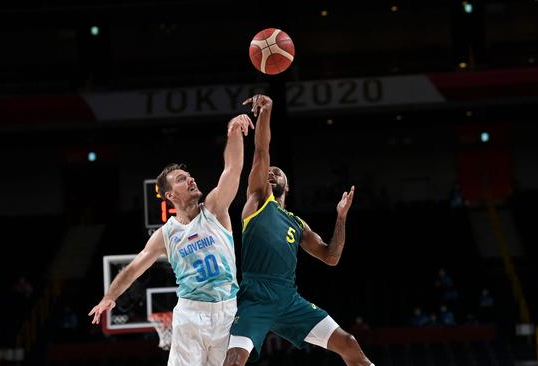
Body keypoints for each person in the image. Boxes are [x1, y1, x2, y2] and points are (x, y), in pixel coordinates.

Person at [89, 113, 254, 366]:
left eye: (188, 176)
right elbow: (133, 268)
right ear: (170, 195)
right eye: (181, 179)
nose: (190, 179)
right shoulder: (165, 235)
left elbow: (233, 169)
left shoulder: (214, 209)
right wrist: (109, 296)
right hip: (191, 313)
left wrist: (233, 133)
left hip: (227, 312)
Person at [223, 94, 374, 366]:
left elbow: (331, 257)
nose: (272, 172)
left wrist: (341, 217)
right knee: (234, 359)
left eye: (278, 172)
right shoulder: (258, 199)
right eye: (270, 171)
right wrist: (267, 111)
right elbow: (261, 150)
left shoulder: (297, 223)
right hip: (255, 297)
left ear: (288, 186)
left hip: (288, 300)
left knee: (349, 343)